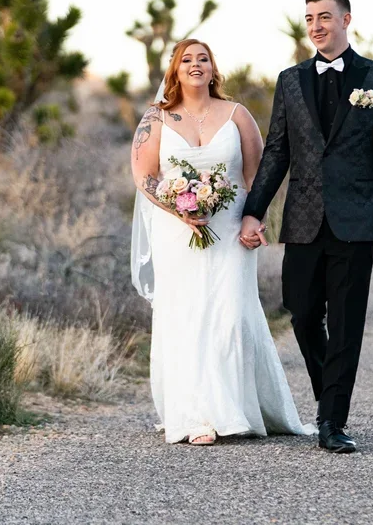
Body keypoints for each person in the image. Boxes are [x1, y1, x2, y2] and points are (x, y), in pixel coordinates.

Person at [240, 0, 373, 453]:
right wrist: (254, 211)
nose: (316, 26)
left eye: (324, 16)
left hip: (355, 220)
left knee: (345, 322)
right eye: (309, 19)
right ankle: (330, 397)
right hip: (303, 218)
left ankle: (332, 421)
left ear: (346, 19)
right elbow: (277, 151)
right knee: (301, 313)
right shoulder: (290, 80)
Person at [130, 38, 313, 445]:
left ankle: (234, 409)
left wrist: (255, 220)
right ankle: (195, 417)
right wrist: (179, 208)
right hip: (177, 231)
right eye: (187, 60)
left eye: (203, 59)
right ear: (175, 70)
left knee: (230, 315)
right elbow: (144, 175)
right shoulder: (156, 118)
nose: (196, 65)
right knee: (185, 317)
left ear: (213, 68)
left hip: (230, 228)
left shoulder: (237, 115)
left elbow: (257, 176)